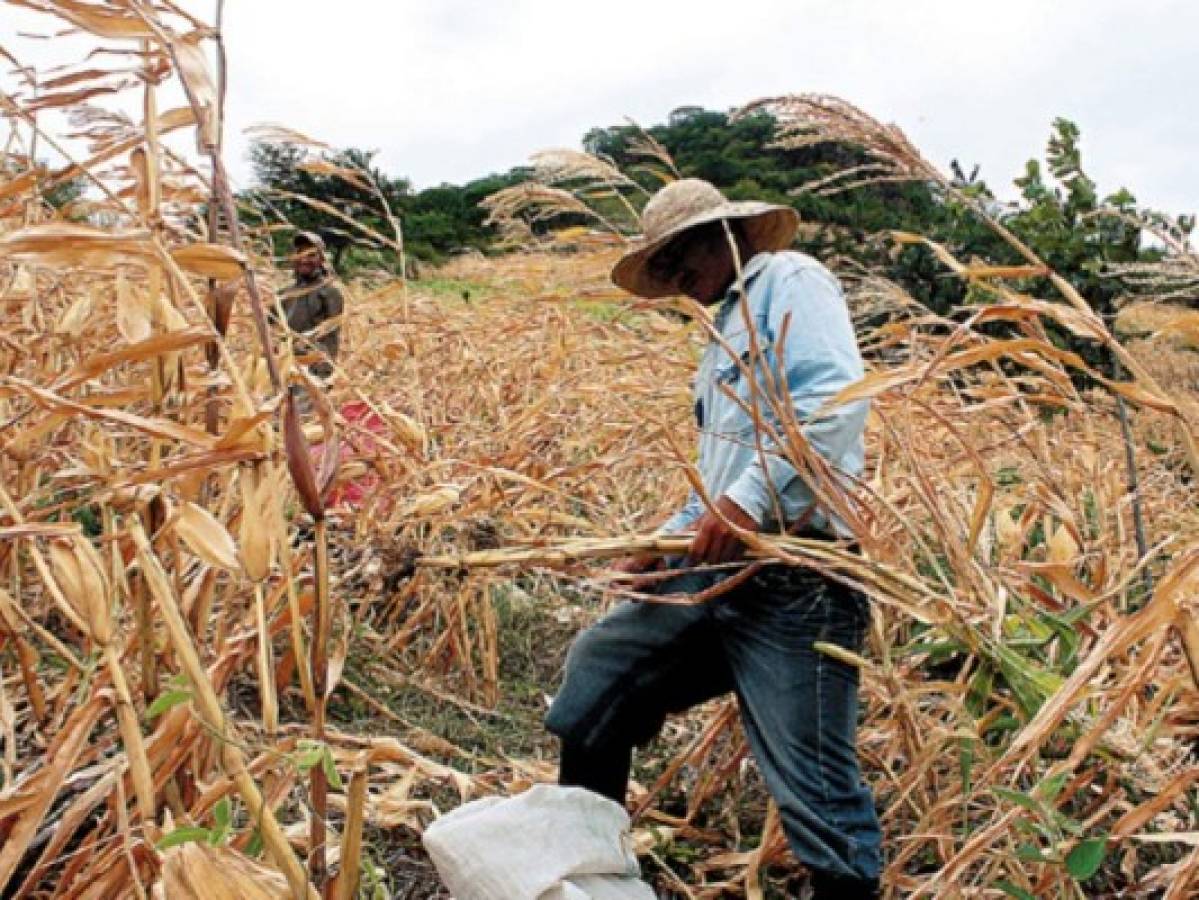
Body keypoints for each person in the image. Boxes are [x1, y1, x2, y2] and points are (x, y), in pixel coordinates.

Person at [545, 179, 882, 898]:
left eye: (677, 261)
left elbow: (833, 402)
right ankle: (591, 875)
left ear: (722, 235)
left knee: (814, 786)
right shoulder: (722, 329)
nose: (673, 283)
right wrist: (662, 544)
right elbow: (722, 473)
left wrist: (745, 505)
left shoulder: (789, 282)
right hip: (720, 571)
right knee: (597, 678)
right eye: (660, 273)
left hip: (798, 579)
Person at [282, 231, 344, 378]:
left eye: (311, 255)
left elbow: (330, 336)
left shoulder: (329, 293)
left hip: (312, 370)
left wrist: (322, 371)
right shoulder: (283, 294)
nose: (304, 259)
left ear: (321, 259)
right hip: (285, 366)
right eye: (300, 253)